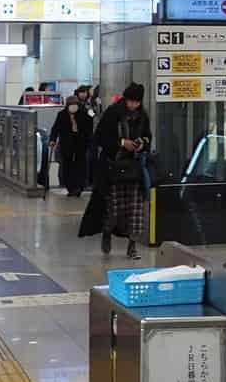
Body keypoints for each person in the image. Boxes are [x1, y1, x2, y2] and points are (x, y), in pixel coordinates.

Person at [92, 82, 151, 261]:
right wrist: (121, 142)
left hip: (134, 169)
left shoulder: (143, 116)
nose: (133, 105)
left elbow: (149, 136)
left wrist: (142, 143)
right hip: (113, 168)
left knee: (135, 210)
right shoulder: (113, 113)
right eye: (130, 101)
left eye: (136, 102)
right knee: (114, 207)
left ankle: (132, 246)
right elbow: (100, 137)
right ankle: (107, 232)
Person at [49, 95, 92, 197]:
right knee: (67, 165)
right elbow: (56, 128)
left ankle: (79, 186)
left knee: (80, 164)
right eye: (71, 105)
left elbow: (90, 124)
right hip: (66, 143)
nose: (73, 107)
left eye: (75, 105)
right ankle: (70, 187)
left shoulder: (84, 112)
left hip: (81, 143)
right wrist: (52, 139)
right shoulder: (61, 114)